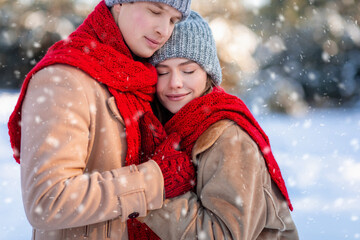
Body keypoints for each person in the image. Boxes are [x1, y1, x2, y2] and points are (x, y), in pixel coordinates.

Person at [7, 0, 193, 239]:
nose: (164, 30)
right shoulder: (63, 78)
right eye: (155, 11)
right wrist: (154, 180)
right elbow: (47, 201)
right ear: (119, 4)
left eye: (173, 20)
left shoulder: (142, 79)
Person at [139, 11, 299, 239]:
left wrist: (157, 189)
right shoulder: (163, 126)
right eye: (162, 72)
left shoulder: (228, 136)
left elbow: (223, 235)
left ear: (208, 73)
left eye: (188, 70)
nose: (175, 83)